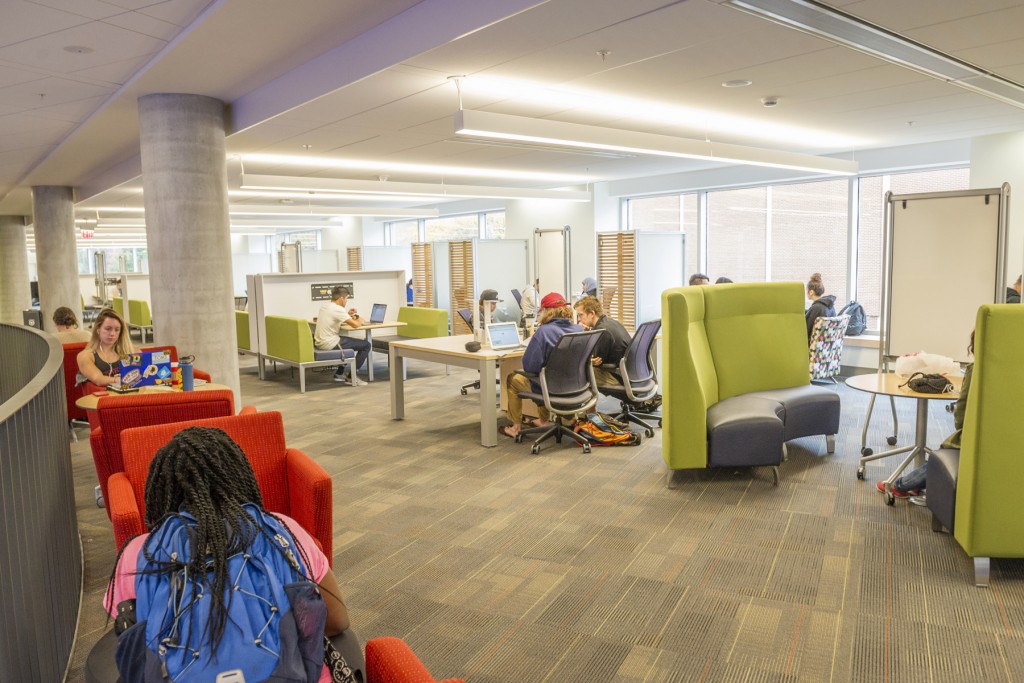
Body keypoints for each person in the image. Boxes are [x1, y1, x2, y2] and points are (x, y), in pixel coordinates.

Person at [105, 427, 353, 683]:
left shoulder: (141, 552)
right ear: (239, 477)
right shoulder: (279, 530)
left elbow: (131, 645)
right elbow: (336, 620)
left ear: (159, 493)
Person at [877, 332, 974, 503]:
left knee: (951, 451)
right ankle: (916, 483)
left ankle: (900, 486)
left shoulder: (978, 370)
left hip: (978, 439)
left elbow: (962, 414)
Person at [500, 293, 583, 439]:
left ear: (548, 311)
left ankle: (515, 427)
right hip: (574, 386)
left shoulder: (543, 332)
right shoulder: (578, 329)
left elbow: (530, 366)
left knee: (514, 379)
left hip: (550, 388)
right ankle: (547, 420)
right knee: (545, 375)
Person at [314, 286, 370, 386]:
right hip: (330, 343)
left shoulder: (325, 306)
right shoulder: (338, 309)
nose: (346, 301)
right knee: (366, 345)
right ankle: (351, 377)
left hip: (321, 342)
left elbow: (335, 317)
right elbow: (355, 325)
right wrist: (361, 319)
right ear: (341, 298)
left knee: (350, 342)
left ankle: (339, 374)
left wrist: (347, 314)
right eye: (346, 298)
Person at [574, 296, 631, 386]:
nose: (578, 319)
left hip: (619, 377)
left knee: (577, 371)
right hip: (629, 374)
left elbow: (595, 360)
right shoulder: (610, 322)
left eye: (581, 315)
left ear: (592, 314)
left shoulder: (602, 331)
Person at [77, 307, 134, 388]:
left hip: (128, 397)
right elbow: (98, 379)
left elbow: (140, 374)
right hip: (99, 399)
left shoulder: (130, 352)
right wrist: (117, 380)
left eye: (117, 330)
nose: (112, 334)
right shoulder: (85, 356)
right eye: (108, 329)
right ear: (98, 330)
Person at [804, 273, 836, 342]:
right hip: (826, 345)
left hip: (812, 345)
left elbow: (805, 331)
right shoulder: (829, 306)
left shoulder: (816, 308)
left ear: (811, 292)